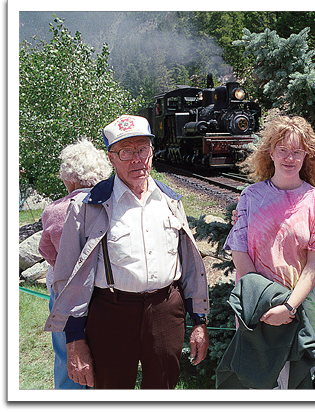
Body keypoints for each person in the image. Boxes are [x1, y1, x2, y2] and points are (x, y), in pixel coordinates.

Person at [43, 115, 210, 389]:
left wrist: (199, 321)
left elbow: (190, 266)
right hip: (111, 314)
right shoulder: (88, 207)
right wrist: (74, 341)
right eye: (125, 151)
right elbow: (69, 278)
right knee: (111, 390)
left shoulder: (170, 200)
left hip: (165, 310)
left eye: (142, 149)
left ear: (152, 152)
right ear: (111, 157)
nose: (136, 159)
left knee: (163, 388)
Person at [222, 115, 315, 389]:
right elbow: (239, 251)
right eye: (282, 149)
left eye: (297, 151)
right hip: (254, 306)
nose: (289, 157)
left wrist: (287, 306)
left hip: (296, 309)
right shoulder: (250, 196)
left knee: (291, 383)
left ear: (306, 155)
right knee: (255, 382)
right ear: (270, 152)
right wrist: (264, 301)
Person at [38, 138, 113, 389]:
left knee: (66, 356)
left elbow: (47, 253)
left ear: (69, 177)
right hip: (105, 292)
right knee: (104, 355)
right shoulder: (110, 206)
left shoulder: (54, 210)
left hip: (65, 295)